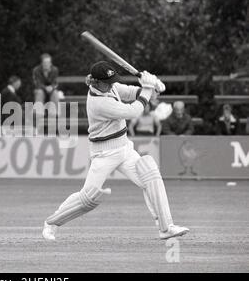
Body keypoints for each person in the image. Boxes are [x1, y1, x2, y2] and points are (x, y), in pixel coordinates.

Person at [42, 61, 189, 241]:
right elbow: (133, 111)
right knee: (88, 199)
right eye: (108, 82)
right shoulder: (98, 103)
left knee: (150, 174)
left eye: (113, 80)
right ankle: (51, 223)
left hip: (124, 147)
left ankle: (166, 227)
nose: (112, 84)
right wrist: (148, 90)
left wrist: (151, 87)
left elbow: (131, 92)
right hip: (104, 154)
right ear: (96, 82)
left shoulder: (109, 86)